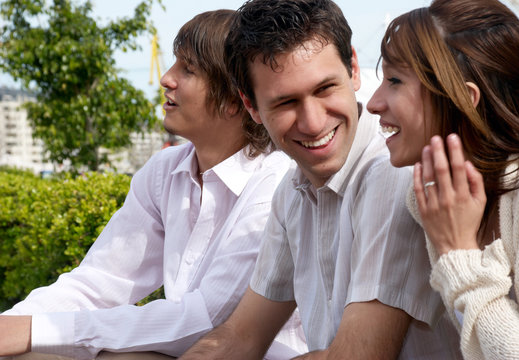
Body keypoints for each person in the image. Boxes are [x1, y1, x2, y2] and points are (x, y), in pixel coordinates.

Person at [0, 9, 306, 360]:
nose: (166, 78)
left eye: (188, 69)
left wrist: (36, 331)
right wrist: (13, 326)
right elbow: (99, 283)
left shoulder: (278, 182)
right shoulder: (166, 170)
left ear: (236, 100)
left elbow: (207, 320)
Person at [179, 0, 462, 359]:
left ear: (354, 69)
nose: (312, 122)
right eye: (285, 103)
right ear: (251, 106)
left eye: (325, 88)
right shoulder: (291, 193)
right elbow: (240, 336)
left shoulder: (394, 172)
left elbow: (357, 357)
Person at [366, 0, 519, 358]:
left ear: (463, 98)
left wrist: (459, 252)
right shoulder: (434, 195)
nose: (373, 102)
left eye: (395, 81)